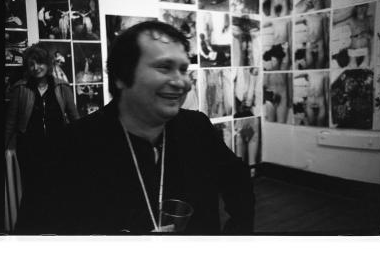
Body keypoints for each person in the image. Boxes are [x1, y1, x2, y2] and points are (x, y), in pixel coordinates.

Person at [16, 21, 254, 234]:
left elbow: (238, 180)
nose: (182, 82)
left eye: (183, 69)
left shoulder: (196, 128)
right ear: (121, 75)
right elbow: (33, 233)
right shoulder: (66, 149)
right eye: (164, 67)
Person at [5, 43, 79, 231]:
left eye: (39, 63)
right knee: (33, 192)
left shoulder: (62, 87)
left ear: (47, 64)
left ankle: (56, 229)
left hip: (58, 147)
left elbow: (74, 118)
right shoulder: (20, 89)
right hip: (29, 149)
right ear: (27, 68)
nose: (36, 67)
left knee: (57, 188)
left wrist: (81, 145)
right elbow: (11, 123)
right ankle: (32, 232)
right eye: (31, 64)